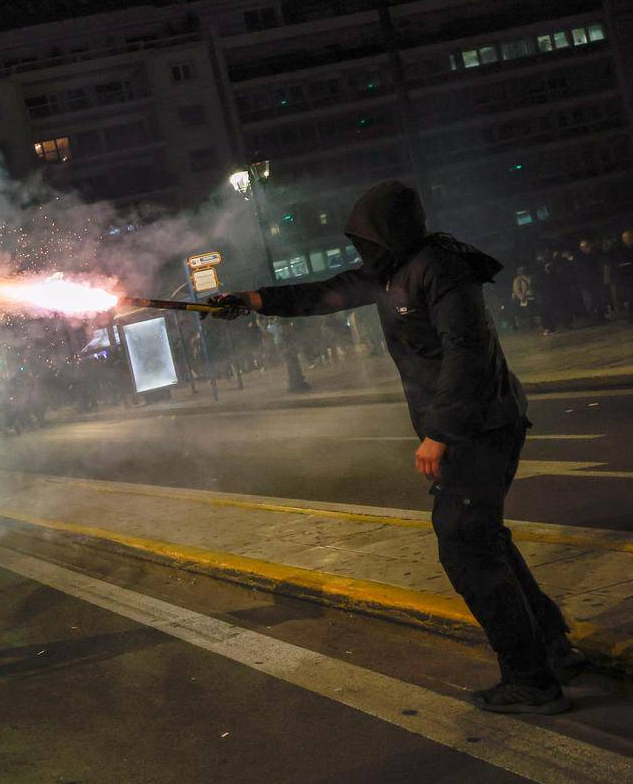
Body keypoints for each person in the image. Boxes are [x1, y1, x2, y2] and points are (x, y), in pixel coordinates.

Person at [210, 180, 586, 715]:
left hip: (480, 427)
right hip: (468, 427)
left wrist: (439, 435)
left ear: (389, 232)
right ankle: (553, 647)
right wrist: (250, 301)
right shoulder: (388, 273)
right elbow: (320, 294)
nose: (362, 250)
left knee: (464, 547)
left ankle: (532, 680)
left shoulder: (441, 268)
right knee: (484, 537)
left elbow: (467, 353)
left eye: (367, 238)